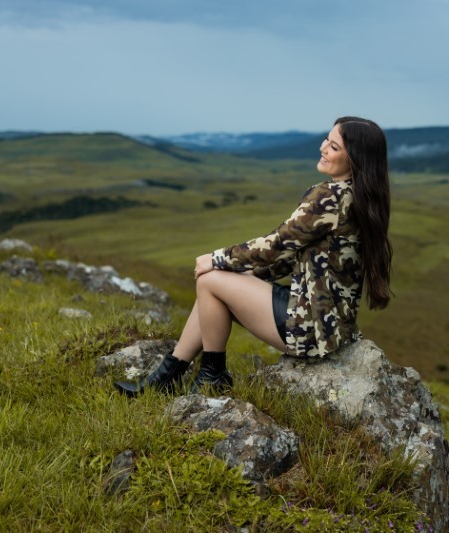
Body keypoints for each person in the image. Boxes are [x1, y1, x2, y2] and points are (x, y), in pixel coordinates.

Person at [115, 116, 393, 396]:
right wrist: (245, 273)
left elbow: (278, 244)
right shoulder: (360, 196)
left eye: (334, 147)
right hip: (332, 326)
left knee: (209, 280)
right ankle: (168, 376)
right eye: (326, 139)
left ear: (355, 159)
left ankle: (211, 376)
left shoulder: (329, 197)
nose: (323, 148)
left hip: (310, 328)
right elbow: (295, 255)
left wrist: (218, 258)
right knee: (220, 283)